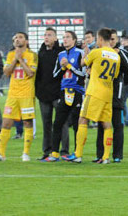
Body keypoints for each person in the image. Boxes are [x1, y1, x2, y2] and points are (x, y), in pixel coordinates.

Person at [65, 28, 120, 164]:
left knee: (83, 120)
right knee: (107, 125)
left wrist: (86, 53)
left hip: (95, 92)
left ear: (100, 39)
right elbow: (115, 75)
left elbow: (81, 63)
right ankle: (106, 157)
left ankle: (78, 154)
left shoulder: (96, 52)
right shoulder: (116, 56)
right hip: (108, 93)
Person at [0, 32, 38, 162]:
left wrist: (20, 59)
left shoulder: (32, 55)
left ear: (26, 41)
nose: (17, 39)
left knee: (27, 122)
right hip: (13, 95)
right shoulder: (10, 55)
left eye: (20, 37)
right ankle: (1, 154)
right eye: (15, 38)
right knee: (6, 123)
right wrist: (15, 59)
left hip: (27, 94)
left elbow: (31, 73)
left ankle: (26, 153)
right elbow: (6, 73)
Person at [93, 29, 128, 163]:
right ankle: (100, 155)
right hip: (102, 93)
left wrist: (120, 56)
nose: (111, 42)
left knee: (118, 125)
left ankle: (117, 155)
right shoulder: (99, 53)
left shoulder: (122, 53)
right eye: (109, 39)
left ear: (116, 40)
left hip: (116, 95)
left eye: (113, 39)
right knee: (101, 125)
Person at [43, 31, 86, 162]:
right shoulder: (60, 54)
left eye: (68, 37)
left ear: (74, 40)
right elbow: (55, 74)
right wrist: (62, 68)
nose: (65, 40)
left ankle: (78, 154)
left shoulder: (80, 53)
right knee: (58, 123)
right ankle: (55, 153)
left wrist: (69, 66)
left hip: (77, 91)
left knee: (77, 124)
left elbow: (82, 73)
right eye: (64, 37)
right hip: (64, 91)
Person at [35, 27, 68, 160]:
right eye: (45, 35)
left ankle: (64, 151)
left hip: (58, 93)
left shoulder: (61, 52)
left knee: (61, 123)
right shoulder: (41, 53)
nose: (46, 37)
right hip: (43, 94)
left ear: (55, 38)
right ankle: (47, 151)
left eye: (49, 35)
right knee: (46, 124)